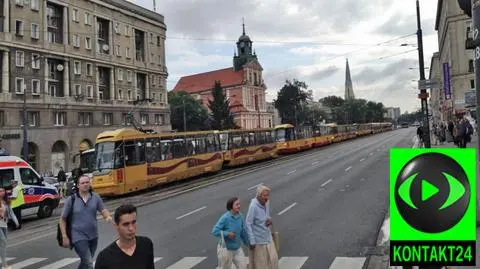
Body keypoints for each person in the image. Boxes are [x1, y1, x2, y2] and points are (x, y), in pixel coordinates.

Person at [59, 175, 112, 269]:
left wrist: (107, 216)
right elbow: (63, 219)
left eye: (87, 182)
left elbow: (103, 209)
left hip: (93, 236)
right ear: (78, 185)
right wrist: (64, 236)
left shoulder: (95, 197)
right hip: (78, 236)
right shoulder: (71, 200)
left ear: (90, 184)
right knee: (89, 263)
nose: (85, 185)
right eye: (82, 183)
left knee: (85, 262)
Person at [94, 204, 154, 269]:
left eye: (133, 222)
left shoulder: (146, 244)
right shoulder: (104, 258)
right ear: (116, 226)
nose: (131, 228)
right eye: (126, 224)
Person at [245, 185, 278, 269]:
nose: (266, 198)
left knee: (273, 261)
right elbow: (248, 223)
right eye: (264, 195)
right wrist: (252, 240)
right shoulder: (253, 206)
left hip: (268, 237)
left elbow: (267, 216)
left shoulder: (267, 202)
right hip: (259, 241)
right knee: (262, 265)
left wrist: (269, 220)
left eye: (267, 195)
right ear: (259, 195)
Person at [212, 197, 249, 269]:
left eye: (239, 204)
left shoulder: (240, 216)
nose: (239, 206)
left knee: (243, 266)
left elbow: (243, 232)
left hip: (237, 249)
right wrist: (227, 234)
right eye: (237, 204)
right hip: (226, 250)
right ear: (231, 206)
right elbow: (215, 231)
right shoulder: (225, 217)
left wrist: (248, 243)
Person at [0, 186, 18, 269]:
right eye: (0, 191)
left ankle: (3, 262)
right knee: (3, 242)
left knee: (3, 245)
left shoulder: (6, 202)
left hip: (4, 225)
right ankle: (4, 264)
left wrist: (16, 221)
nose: (1, 193)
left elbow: (11, 212)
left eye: (3, 191)